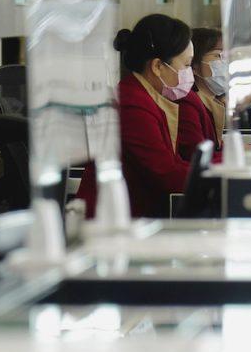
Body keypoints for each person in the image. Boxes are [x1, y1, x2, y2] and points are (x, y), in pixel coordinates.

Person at [78, 14, 193, 218]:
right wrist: (216, 175)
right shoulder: (132, 105)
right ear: (157, 66)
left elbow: (171, 164)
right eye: (186, 65)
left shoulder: (143, 95)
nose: (188, 73)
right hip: (113, 222)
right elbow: (166, 174)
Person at [178, 27, 225, 156]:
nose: (224, 62)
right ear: (194, 66)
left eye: (226, 56)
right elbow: (197, 156)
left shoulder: (212, 101)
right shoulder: (187, 104)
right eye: (217, 55)